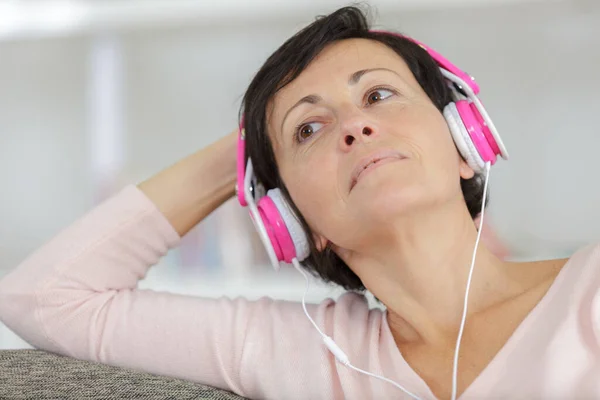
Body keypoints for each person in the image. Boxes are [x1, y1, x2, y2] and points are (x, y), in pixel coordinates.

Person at [0, 6, 598, 400]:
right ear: (293, 223)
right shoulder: (301, 351)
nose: (356, 126)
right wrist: (242, 152)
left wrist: (289, 129)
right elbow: (44, 298)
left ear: (466, 141)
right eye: (309, 129)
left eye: (380, 94)